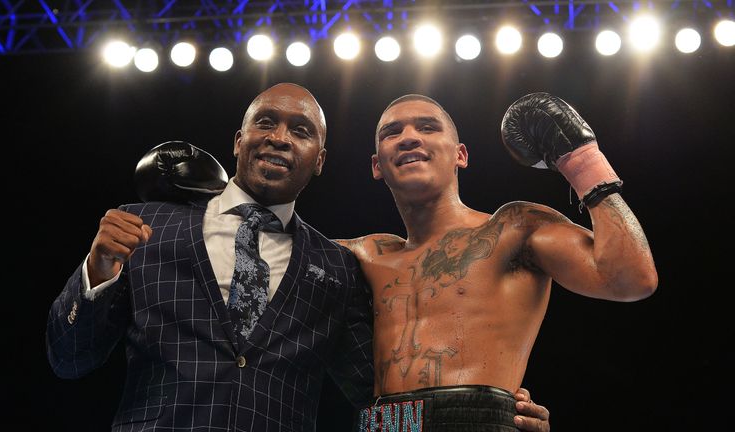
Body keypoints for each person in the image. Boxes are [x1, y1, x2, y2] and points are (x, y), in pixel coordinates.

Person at [45, 83, 551, 431]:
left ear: (320, 160)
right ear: (239, 140)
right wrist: (97, 271)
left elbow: (377, 399)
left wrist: (488, 409)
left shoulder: (333, 268)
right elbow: (68, 360)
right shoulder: (147, 227)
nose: (280, 138)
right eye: (265, 122)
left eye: (301, 131)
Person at [338, 93, 658, 431]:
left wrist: (583, 161)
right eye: (392, 132)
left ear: (460, 155)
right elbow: (280, 252)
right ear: (377, 165)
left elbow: (631, 278)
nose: (409, 137)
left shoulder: (514, 228)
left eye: (428, 127)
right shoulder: (363, 255)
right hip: (384, 424)